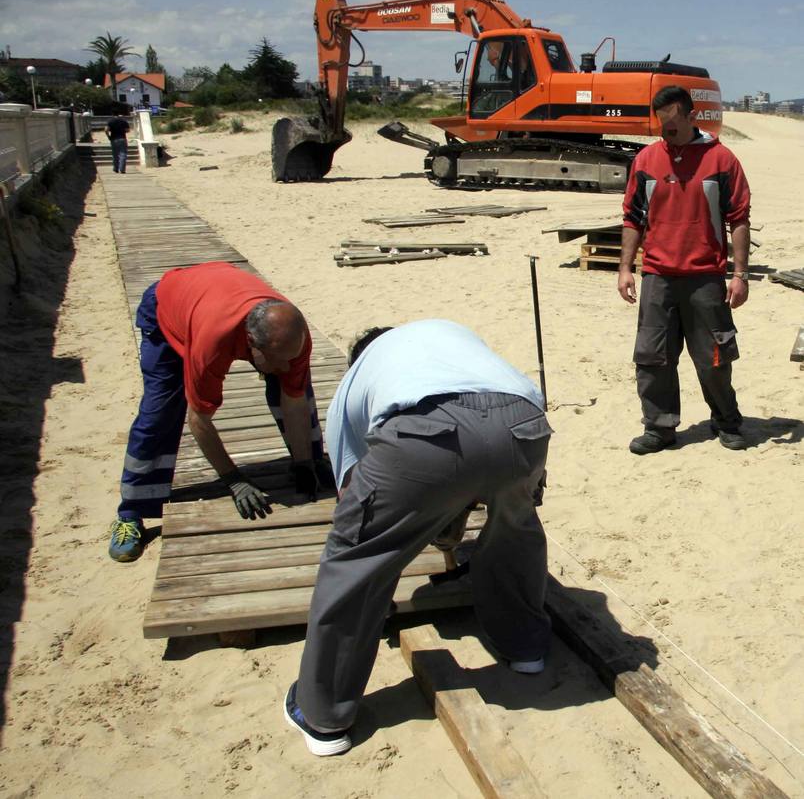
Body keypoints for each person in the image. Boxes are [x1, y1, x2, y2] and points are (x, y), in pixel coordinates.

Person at [284, 319, 552, 756]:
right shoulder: (450, 335)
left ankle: (323, 717)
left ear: (357, 360)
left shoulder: (354, 381)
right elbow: (479, 445)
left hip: (424, 432)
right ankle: (526, 649)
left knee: (354, 560)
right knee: (514, 531)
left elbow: (354, 496)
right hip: (523, 419)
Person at [108, 261, 333, 562]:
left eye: (290, 358)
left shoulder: (293, 337)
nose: (285, 367)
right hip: (168, 308)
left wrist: (305, 462)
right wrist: (234, 479)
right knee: (160, 413)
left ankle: (309, 464)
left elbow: (293, 400)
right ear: (251, 344)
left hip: (215, 293)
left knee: (297, 391)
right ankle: (131, 512)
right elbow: (198, 418)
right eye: (277, 361)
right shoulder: (212, 342)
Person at [618, 85, 751, 455]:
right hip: (657, 276)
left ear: (692, 117)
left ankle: (727, 421)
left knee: (714, 358)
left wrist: (739, 275)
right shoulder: (645, 160)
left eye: (673, 126)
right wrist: (625, 268)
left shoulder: (722, 160)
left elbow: (739, 219)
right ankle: (659, 428)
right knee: (652, 357)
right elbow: (632, 218)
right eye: (661, 126)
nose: (666, 133)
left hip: (705, 277)